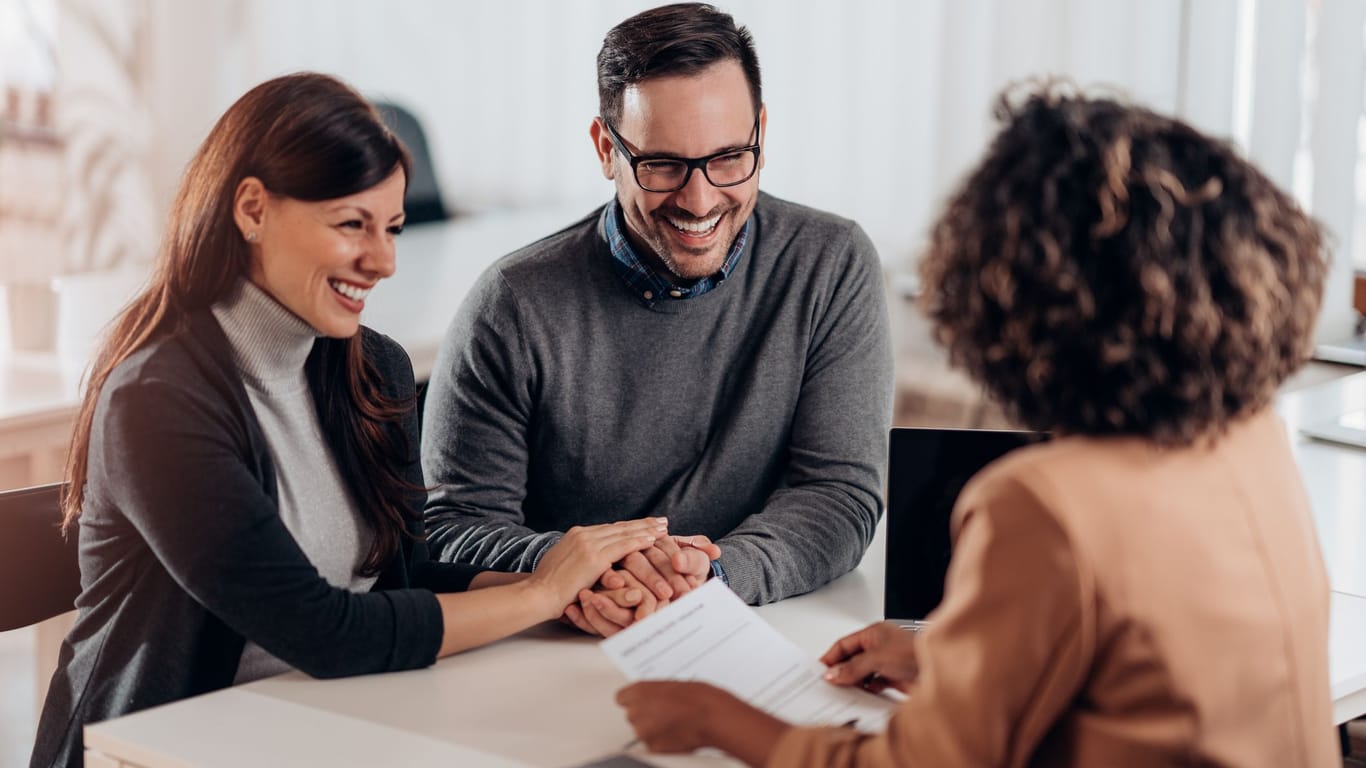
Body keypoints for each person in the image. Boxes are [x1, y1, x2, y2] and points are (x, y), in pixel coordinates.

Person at [615, 85, 1338, 765]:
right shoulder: (1250, 441)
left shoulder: (1046, 503)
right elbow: (1154, 669)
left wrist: (718, 720)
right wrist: (951, 662)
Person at [29, 73, 669, 768]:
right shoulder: (158, 403)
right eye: (350, 225)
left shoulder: (373, 371)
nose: (383, 261)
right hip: (160, 751)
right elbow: (325, 631)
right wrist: (541, 590)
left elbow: (401, 581)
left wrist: (565, 588)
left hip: (325, 726)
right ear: (252, 209)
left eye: (391, 227)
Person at [421, 2, 894, 630]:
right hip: (557, 648)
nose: (700, 200)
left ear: (761, 131)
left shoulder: (830, 263)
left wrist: (712, 575)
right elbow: (453, 529)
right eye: (663, 164)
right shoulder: (512, 303)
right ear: (605, 148)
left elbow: (838, 494)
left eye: (729, 157)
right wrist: (595, 572)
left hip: (760, 626)